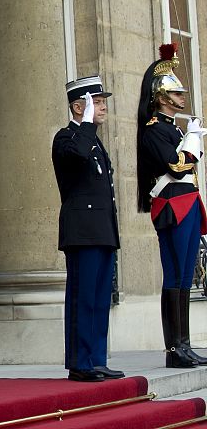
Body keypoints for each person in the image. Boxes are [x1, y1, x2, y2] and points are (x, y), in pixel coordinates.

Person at [137, 43, 207, 369]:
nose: (183, 99)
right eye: (177, 95)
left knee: (185, 276)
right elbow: (176, 166)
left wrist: (189, 136)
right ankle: (174, 350)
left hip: (189, 202)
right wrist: (193, 141)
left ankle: (185, 345)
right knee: (176, 275)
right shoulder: (154, 130)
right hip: (172, 205)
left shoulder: (174, 128)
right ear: (163, 97)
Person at [51, 76, 123, 382]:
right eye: (98, 102)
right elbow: (76, 157)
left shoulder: (92, 139)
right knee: (83, 297)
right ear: (79, 106)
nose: (104, 108)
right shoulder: (67, 138)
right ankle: (80, 362)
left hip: (101, 229)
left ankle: (96, 357)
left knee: (98, 297)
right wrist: (88, 124)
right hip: (82, 231)